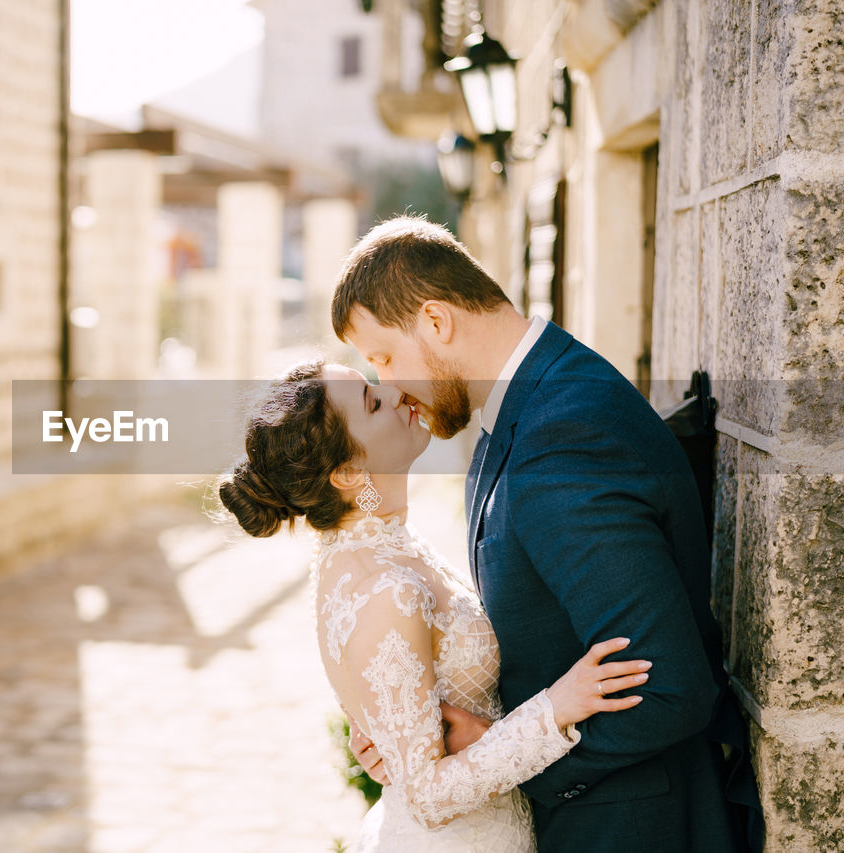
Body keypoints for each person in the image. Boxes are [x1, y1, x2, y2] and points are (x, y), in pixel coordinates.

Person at [332, 216, 742, 852]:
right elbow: (537, 637)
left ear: (436, 322)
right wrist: (415, 726)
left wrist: (503, 759)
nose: (388, 385)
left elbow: (671, 689)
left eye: (383, 357)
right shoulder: (515, 412)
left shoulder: (564, 434)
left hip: (630, 826)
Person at [218, 361, 652, 851]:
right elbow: (427, 797)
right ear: (348, 472)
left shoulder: (382, 543)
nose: (395, 393)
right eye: (372, 401)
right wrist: (556, 710)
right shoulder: (381, 588)